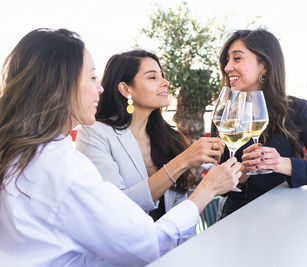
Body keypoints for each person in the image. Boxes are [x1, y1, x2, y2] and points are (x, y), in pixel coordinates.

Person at [0, 28, 241, 267]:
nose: (100, 88)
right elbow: (148, 245)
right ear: (61, 84)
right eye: (93, 77)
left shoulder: (23, 152)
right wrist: (206, 189)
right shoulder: (66, 169)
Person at [76, 50, 224, 222]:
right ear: (126, 89)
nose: (165, 83)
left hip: (172, 245)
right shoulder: (95, 133)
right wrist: (182, 162)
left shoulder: (168, 137)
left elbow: (180, 207)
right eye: (152, 77)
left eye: (162, 76)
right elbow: (114, 209)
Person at [213, 29, 307, 218]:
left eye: (237, 59)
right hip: (237, 217)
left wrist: (279, 163)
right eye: (227, 60)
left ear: (263, 64)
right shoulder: (225, 113)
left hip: (288, 215)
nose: (227, 67)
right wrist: (243, 172)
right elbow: (222, 189)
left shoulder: (298, 109)